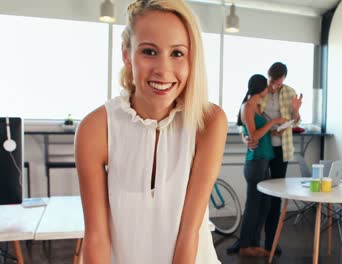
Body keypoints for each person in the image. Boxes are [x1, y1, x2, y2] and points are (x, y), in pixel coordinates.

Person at [75, 1, 227, 263]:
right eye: (149, 51)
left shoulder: (209, 121)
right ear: (127, 54)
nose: (163, 69)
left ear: (192, 58)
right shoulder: (95, 129)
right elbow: (97, 237)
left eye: (177, 53)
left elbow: (188, 234)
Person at [227, 62, 303, 255]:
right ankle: (247, 242)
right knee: (255, 199)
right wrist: (245, 138)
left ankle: (270, 241)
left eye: (278, 84)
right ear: (267, 79)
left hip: (279, 151)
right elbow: (243, 123)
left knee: (272, 200)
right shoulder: (257, 95)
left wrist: (295, 111)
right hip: (260, 149)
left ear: (284, 80)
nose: (274, 87)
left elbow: (296, 120)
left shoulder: (290, 92)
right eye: (272, 83)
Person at [236, 74, 286, 257]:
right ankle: (244, 246)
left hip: (263, 160)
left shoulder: (256, 107)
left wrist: (276, 128)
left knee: (263, 205)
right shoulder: (248, 107)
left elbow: (260, 132)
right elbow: (254, 135)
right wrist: (273, 121)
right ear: (260, 89)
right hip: (255, 161)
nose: (269, 89)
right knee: (253, 205)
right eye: (267, 87)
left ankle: (253, 243)